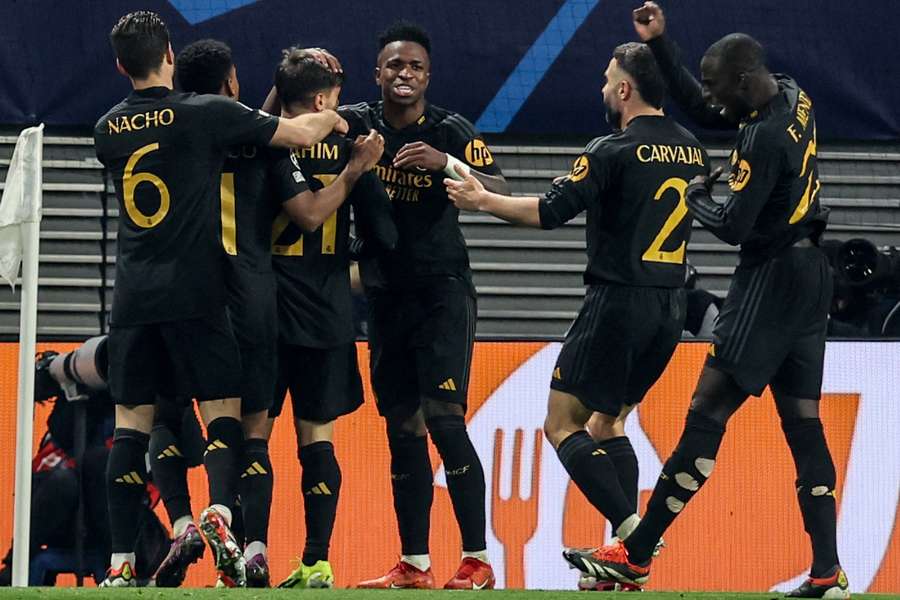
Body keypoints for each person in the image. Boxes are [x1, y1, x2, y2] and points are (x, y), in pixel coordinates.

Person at [573, 4, 848, 599]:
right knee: (803, 422)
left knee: (707, 410)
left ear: (746, 82)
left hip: (770, 279)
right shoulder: (794, 96)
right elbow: (702, 106)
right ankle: (827, 571)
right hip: (813, 276)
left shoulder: (761, 137)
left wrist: (698, 196)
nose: (711, 99)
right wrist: (662, 44)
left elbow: (735, 227)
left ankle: (637, 553)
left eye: (720, 86)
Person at [92, 11, 347, 587]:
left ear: (119, 65)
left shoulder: (107, 128)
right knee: (224, 413)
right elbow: (300, 134)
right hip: (196, 292)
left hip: (132, 296)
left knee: (133, 423)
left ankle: (118, 565)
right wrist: (331, 107)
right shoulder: (203, 116)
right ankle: (222, 511)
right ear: (169, 56)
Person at [446, 42, 708, 593]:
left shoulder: (612, 148)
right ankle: (624, 565)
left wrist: (481, 201)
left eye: (606, 77)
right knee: (609, 422)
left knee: (561, 423)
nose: (601, 87)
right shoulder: (691, 149)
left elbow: (547, 211)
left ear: (624, 89)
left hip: (617, 304)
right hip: (669, 308)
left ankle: (636, 536)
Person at [341, 20, 508, 590]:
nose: (403, 74)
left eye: (413, 66)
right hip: (385, 297)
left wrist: (448, 165)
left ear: (428, 75)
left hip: (443, 293)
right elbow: (293, 126)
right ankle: (414, 562)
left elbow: (499, 187)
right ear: (377, 74)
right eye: (394, 65)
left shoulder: (451, 130)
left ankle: (478, 559)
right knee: (401, 426)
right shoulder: (359, 124)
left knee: (444, 417)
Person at [263, 49, 396, 589]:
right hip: (325, 316)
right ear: (321, 100)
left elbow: (263, 115)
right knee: (316, 438)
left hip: (265, 312)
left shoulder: (259, 145)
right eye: (334, 96)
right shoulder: (351, 154)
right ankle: (317, 558)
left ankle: (250, 555)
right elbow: (385, 236)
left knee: (254, 437)